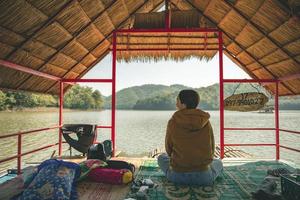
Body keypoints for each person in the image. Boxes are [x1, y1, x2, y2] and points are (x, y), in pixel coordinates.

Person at [157, 89, 223, 185]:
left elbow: (169, 149)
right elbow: (211, 148)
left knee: (161, 158)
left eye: (177, 100)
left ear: (184, 104)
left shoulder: (173, 122)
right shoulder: (205, 121)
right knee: (218, 162)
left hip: (178, 177)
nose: (176, 104)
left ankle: (170, 174)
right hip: (204, 178)